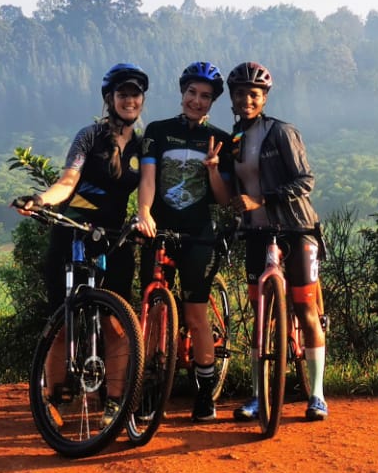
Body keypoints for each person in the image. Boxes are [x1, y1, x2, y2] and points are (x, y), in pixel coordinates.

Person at [15, 63, 147, 417]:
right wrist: (41, 199)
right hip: (73, 229)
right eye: (122, 94)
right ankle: (54, 401)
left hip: (114, 238)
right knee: (61, 320)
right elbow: (69, 180)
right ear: (109, 99)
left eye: (135, 94)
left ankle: (116, 404)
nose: (129, 100)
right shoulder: (89, 137)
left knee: (116, 324)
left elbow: (150, 194)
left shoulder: (143, 146)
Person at [225, 61, 330, 422]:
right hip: (256, 233)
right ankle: (258, 395)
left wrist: (263, 199)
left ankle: (316, 395)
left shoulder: (282, 132)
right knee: (259, 316)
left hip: (296, 229)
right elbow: (231, 190)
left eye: (254, 94)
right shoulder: (234, 139)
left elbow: (305, 180)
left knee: (303, 307)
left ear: (264, 98)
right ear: (233, 98)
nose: (246, 100)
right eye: (240, 94)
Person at [135, 61, 234, 421]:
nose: (196, 100)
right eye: (192, 93)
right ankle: (148, 387)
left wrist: (212, 169)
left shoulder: (221, 139)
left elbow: (224, 200)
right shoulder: (158, 132)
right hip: (158, 230)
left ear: (212, 102)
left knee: (195, 315)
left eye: (205, 96)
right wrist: (144, 213)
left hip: (198, 233)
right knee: (153, 310)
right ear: (182, 93)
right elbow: (147, 177)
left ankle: (205, 394)